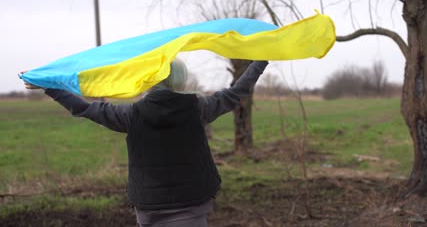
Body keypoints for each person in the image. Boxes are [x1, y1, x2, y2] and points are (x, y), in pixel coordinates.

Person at [22, 59, 268, 227]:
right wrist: (261, 60)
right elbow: (237, 92)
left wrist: (51, 88)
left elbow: (84, 108)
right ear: (181, 80)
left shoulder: (131, 115)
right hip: (193, 207)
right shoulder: (198, 108)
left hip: (149, 209)